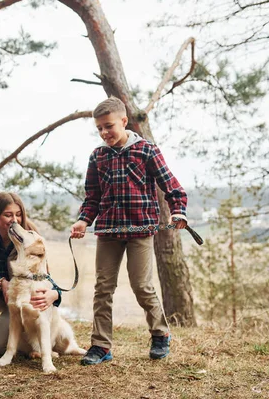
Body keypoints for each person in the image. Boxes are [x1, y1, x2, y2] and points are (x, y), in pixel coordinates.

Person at [69, 96, 188, 366]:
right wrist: (83, 221)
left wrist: (178, 209)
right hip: (108, 231)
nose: (104, 132)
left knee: (141, 286)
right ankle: (100, 345)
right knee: (103, 288)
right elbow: (92, 197)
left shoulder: (147, 150)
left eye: (108, 126)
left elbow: (171, 185)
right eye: (99, 128)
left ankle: (160, 333)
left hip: (140, 230)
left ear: (124, 121)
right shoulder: (97, 156)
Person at [0, 192, 64, 356]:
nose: (14, 220)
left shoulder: (29, 236)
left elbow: (44, 274)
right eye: (8, 215)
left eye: (18, 214)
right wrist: (1, 282)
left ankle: (38, 345)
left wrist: (55, 294)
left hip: (20, 302)